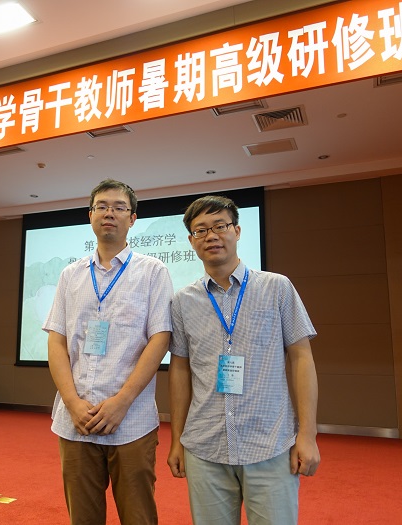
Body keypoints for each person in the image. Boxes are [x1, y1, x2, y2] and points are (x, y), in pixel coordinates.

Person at [167, 195, 320, 525]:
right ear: (191, 241)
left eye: (220, 226)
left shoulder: (277, 288)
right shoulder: (182, 301)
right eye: (201, 230)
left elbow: (302, 357)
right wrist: (176, 440)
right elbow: (179, 369)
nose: (211, 236)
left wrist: (307, 435)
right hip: (204, 447)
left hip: (270, 444)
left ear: (236, 231)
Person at [43, 178, 173, 525]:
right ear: (90, 215)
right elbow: (56, 340)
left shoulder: (153, 272)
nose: (109, 213)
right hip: (76, 420)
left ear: (132, 218)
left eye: (118, 207)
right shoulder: (70, 274)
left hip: (131, 420)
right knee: (82, 518)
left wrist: (122, 401)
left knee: (138, 516)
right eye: (101, 206)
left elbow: (160, 338)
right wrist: (72, 402)